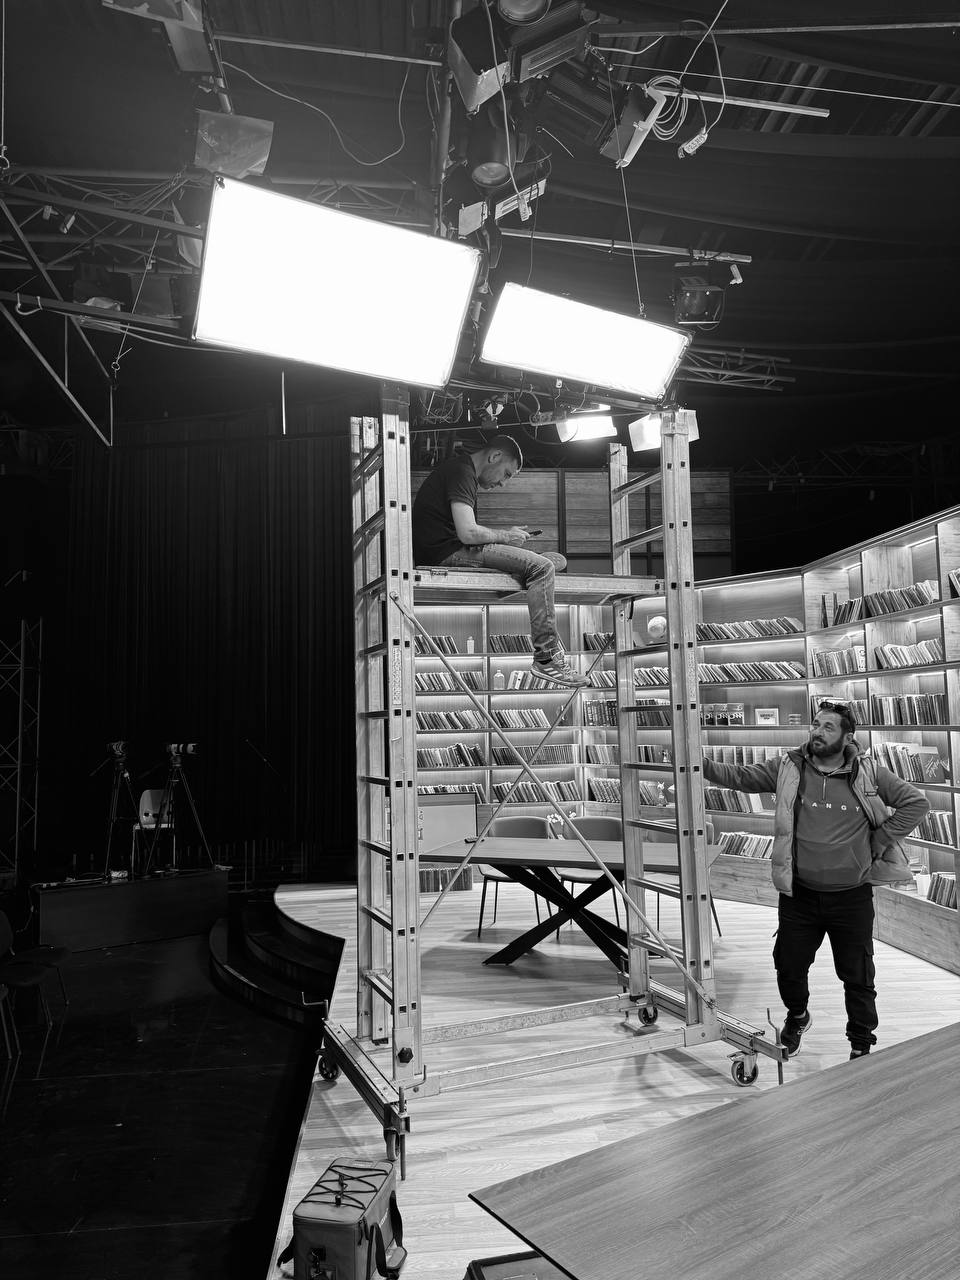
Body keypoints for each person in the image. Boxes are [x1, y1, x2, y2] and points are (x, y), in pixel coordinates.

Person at [701, 700, 929, 1060]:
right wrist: (696, 762)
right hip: (800, 895)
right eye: (816, 724)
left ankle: (860, 1044)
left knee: (858, 975)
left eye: (828, 727)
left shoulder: (869, 772)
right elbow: (741, 777)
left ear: (847, 737)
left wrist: (881, 838)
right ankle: (798, 1016)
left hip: (851, 897)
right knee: (788, 967)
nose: (817, 732)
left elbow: (916, 804)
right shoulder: (789, 767)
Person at [412, 436, 589, 686]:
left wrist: (507, 541)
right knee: (543, 567)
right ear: (494, 456)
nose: (503, 483)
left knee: (548, 562)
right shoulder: (462, 472)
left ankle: (525, 572)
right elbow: (468, 533)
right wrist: (506, 537)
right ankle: (547, 658)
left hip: (448, 548)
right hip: (446, 553)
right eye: (506, 474)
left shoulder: (460, 471)